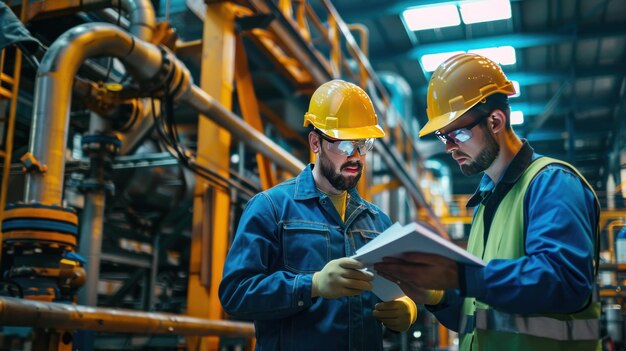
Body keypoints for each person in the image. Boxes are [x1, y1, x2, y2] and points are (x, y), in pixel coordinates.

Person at [375, 53, 600, 351]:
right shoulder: (483, 203)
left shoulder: (551, 183)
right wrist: (438, 297)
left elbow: (563, 281)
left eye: (457, 133)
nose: (450, 148)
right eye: (445, 137)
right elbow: (478, 321)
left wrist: (461, 275)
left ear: (495, 120)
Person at [219, 79, 417, 350]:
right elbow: (235, 294)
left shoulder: (378, 223)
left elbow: (397, 288)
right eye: (345, 146)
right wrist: (311, 285)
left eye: (363, 145)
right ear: (315, 142)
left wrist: (407, 306)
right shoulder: (271, 208)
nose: (356, 156)